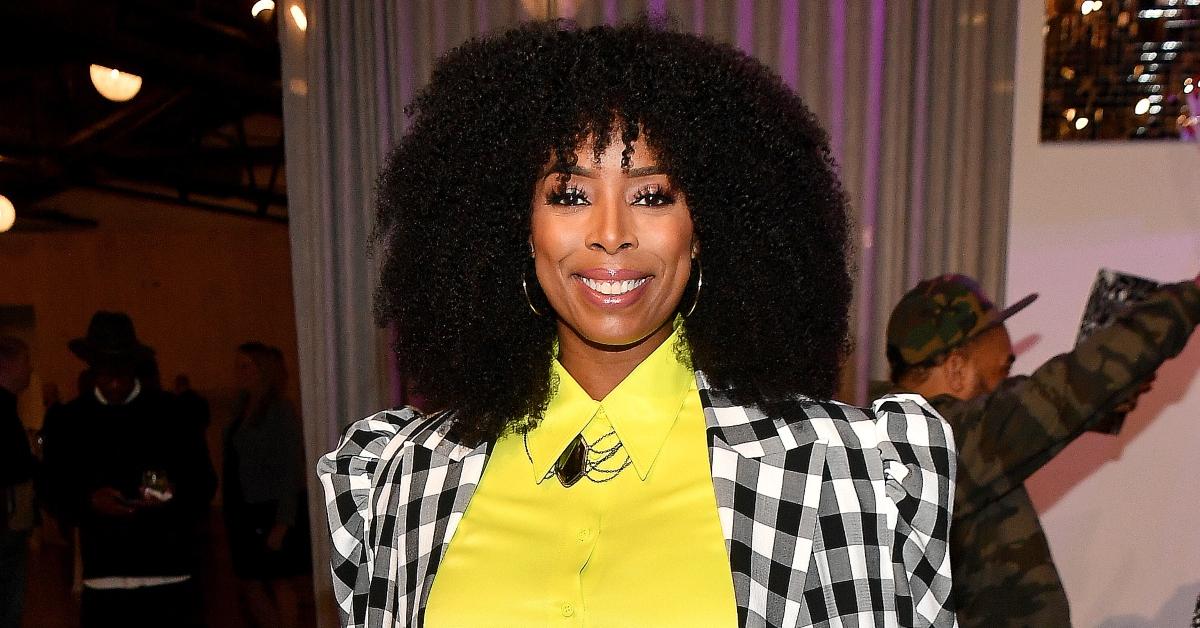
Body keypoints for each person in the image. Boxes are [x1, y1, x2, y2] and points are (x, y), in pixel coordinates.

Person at [319, 20, 957, 628]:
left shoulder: (838, 473)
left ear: (707, 227)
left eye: (652, 196)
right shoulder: (409, 475)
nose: (611, 235)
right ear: (515, 224)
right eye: (570, 195)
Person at [879, 273, 1200, 628]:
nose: (1005, 389)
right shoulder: (931, 442)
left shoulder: (904, 443)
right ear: (956, 369)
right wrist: (1189, 298)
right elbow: (1064, 389)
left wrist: (1099, 405)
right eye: (1001, 373)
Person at [40, 311, 217, 628]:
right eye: (106, 372)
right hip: (104, 578)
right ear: (92, 368)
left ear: (134, 366)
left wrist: (173, 496)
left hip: (170, 574)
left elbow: (204, 483)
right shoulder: (69, 421)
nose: (114, 382)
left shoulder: (172, 414)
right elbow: (53, 492)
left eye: (121, 371)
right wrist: (89, 502)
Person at [223, 342, 309, 628]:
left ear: (262, 370)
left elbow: (290, 467)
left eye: (245, 366)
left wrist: (284, 520)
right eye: (237, 366)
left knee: (278, 579)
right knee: (249, 580)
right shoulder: (241, 407)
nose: (239, 373)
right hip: (244, 506)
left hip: (270, 507)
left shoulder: (279, 410)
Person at [0, 336, 34, 628]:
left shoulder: (10, 406)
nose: (30, 369)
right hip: (5, 521)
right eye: (26, 361)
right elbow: (14, 465)